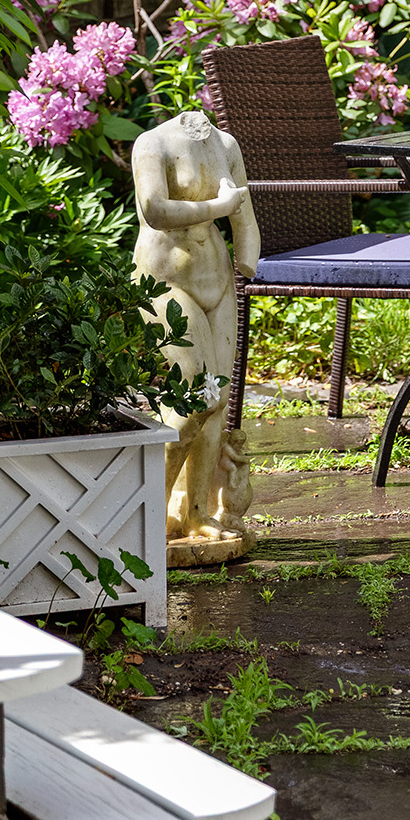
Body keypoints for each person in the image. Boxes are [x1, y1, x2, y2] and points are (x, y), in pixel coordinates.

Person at [132, 110, 261, 554]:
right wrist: (217, 208)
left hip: (218, 281)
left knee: (218, 400)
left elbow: (245, 215)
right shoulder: (152, 144)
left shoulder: (226, 144)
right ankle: (148, 510)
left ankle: (196, 513)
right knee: (197, 397)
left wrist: (249, 261)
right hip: (164, 279)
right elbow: (153, 210)